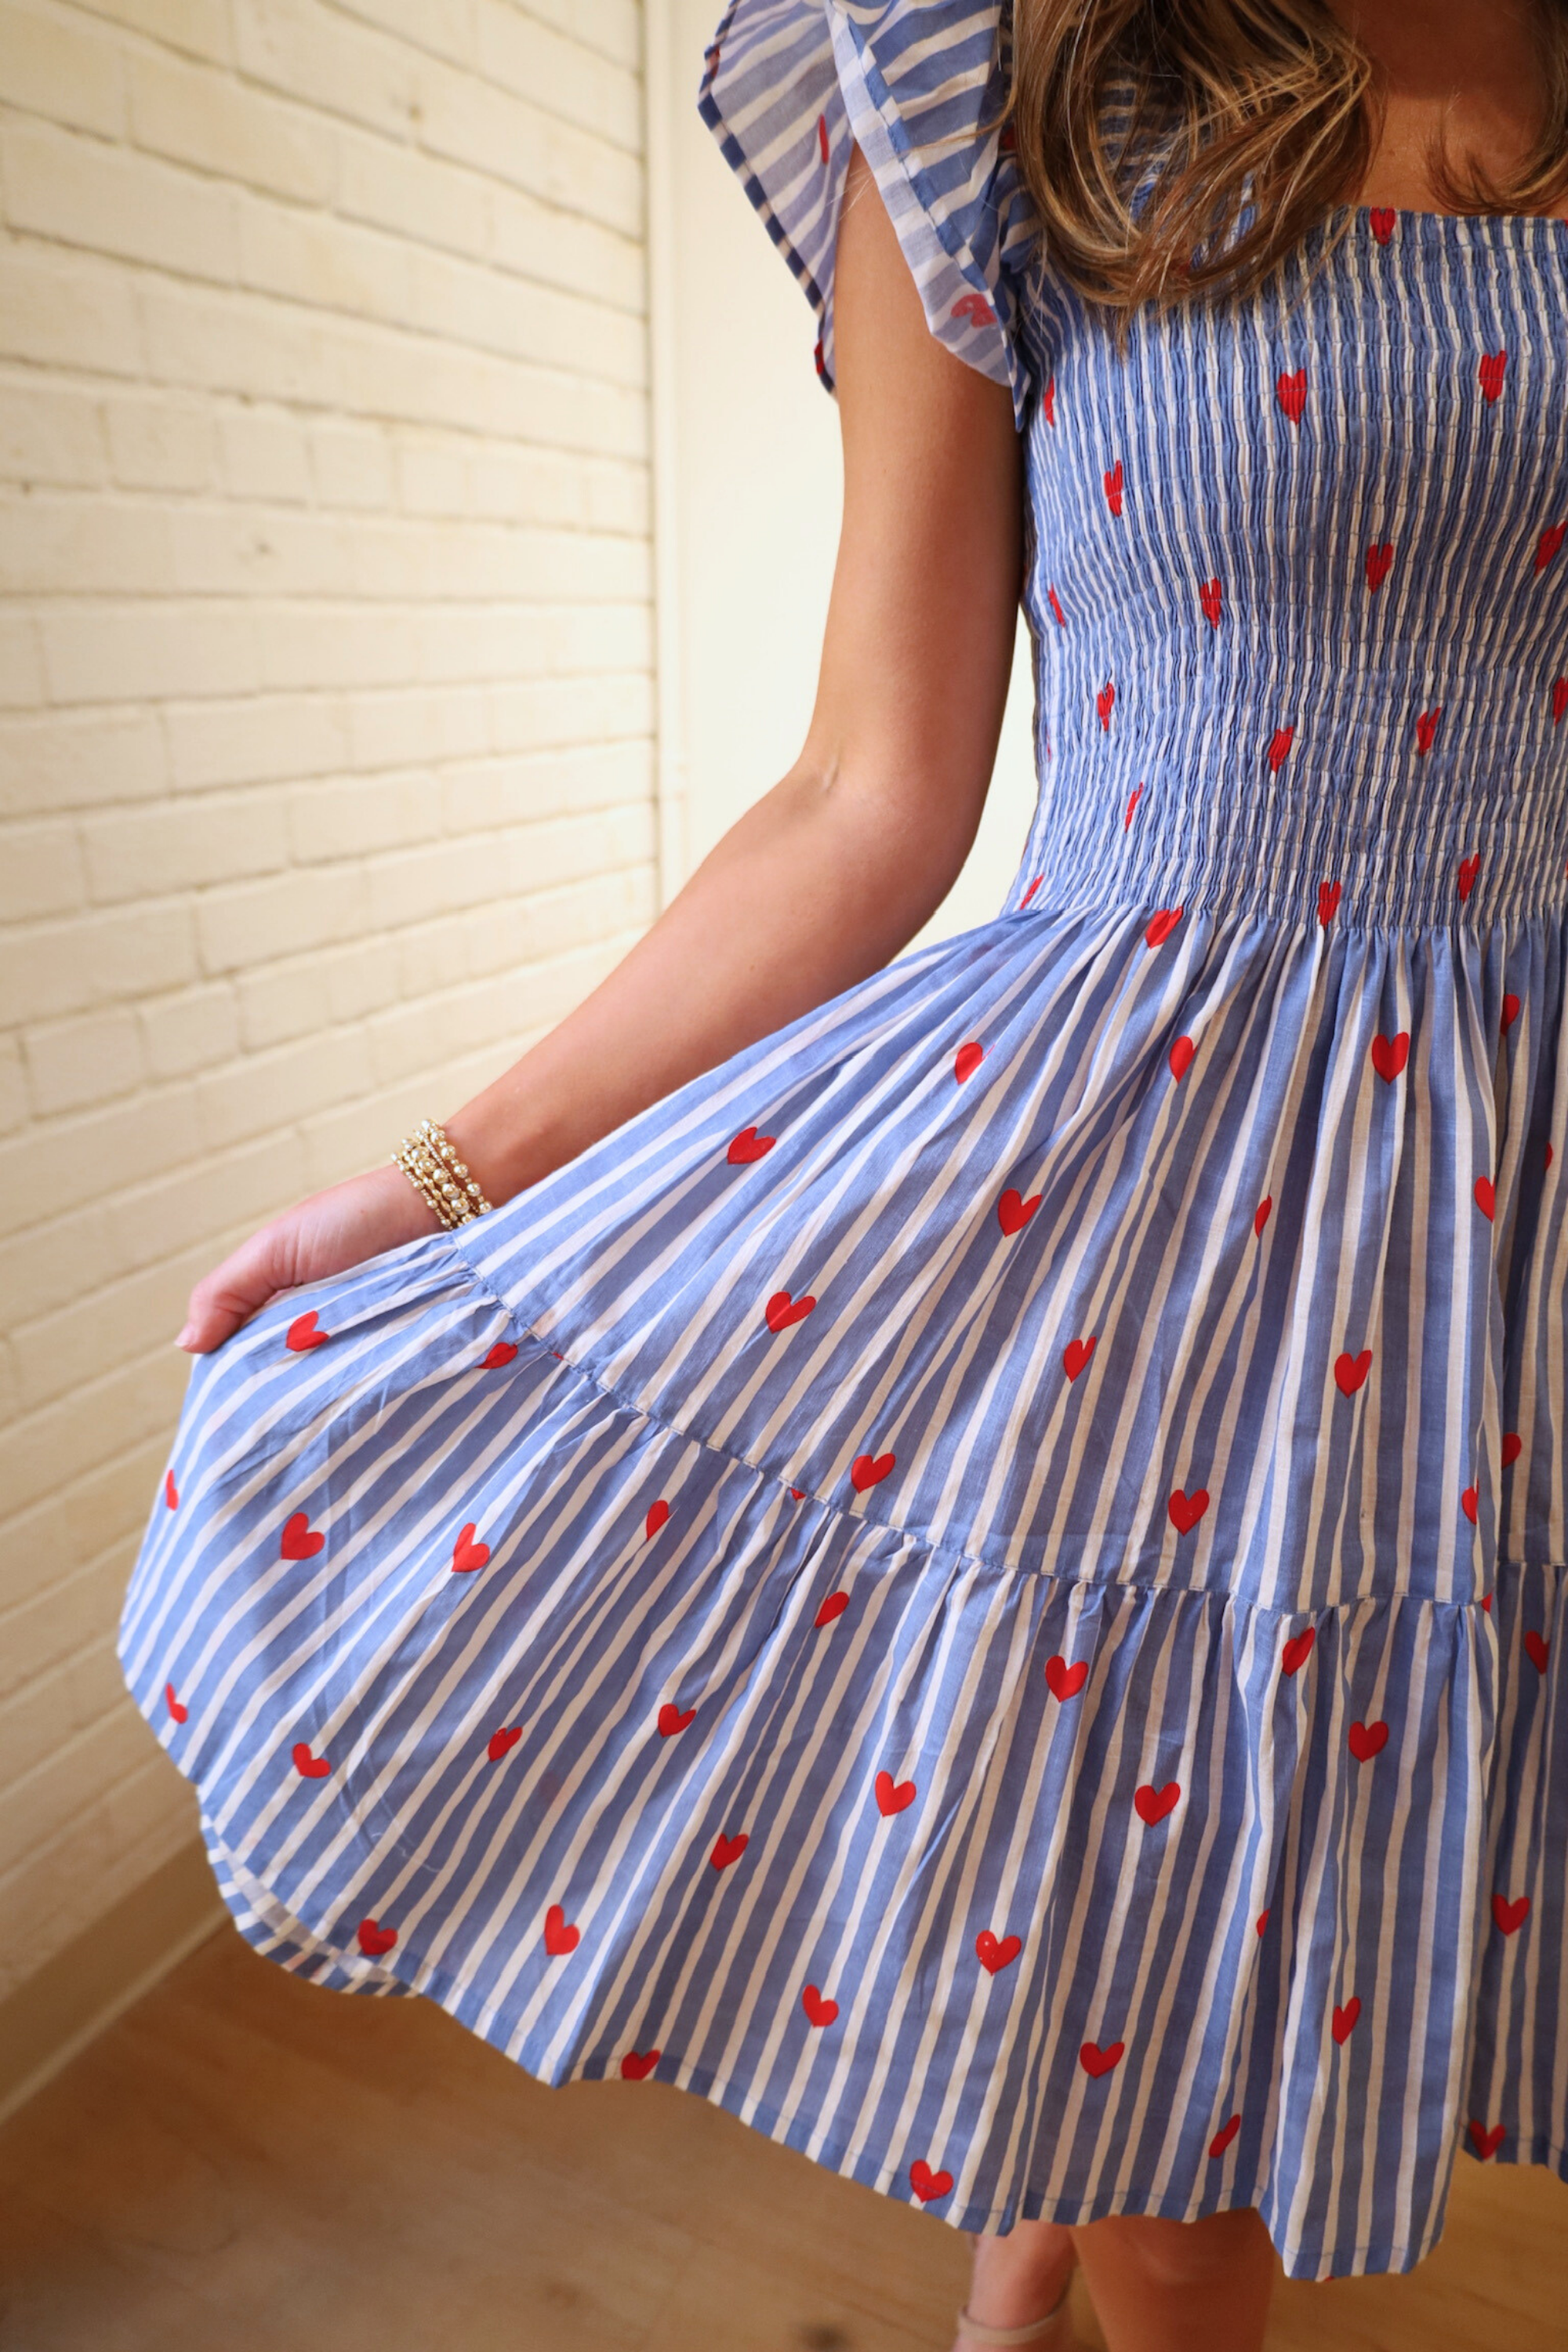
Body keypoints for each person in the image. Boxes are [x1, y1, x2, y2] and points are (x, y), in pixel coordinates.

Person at [120, 4, 1568, 2346]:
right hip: (1147, 1187)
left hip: (1513, 1197)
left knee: (1242, 1873)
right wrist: (442, 1182)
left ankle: (1006, 2309)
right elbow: (869, 793)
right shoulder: (996, 72)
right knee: (1188, 2051)